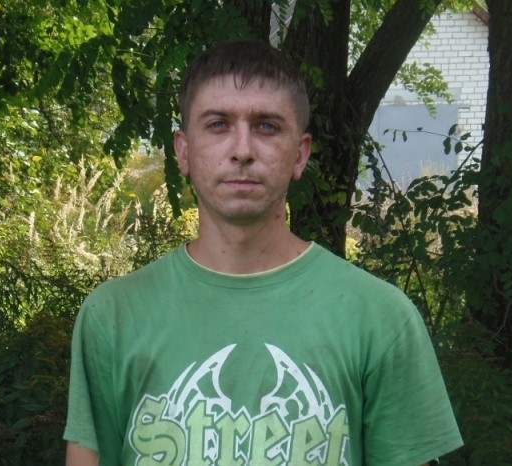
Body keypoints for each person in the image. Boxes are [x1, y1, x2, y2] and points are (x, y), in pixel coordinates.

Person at [64, 40, 463, 466]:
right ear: (183, 151)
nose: (242, 150)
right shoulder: (114, 316)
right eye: (217, 124)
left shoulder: (380, 318)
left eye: (267, 126)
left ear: (300, 154)